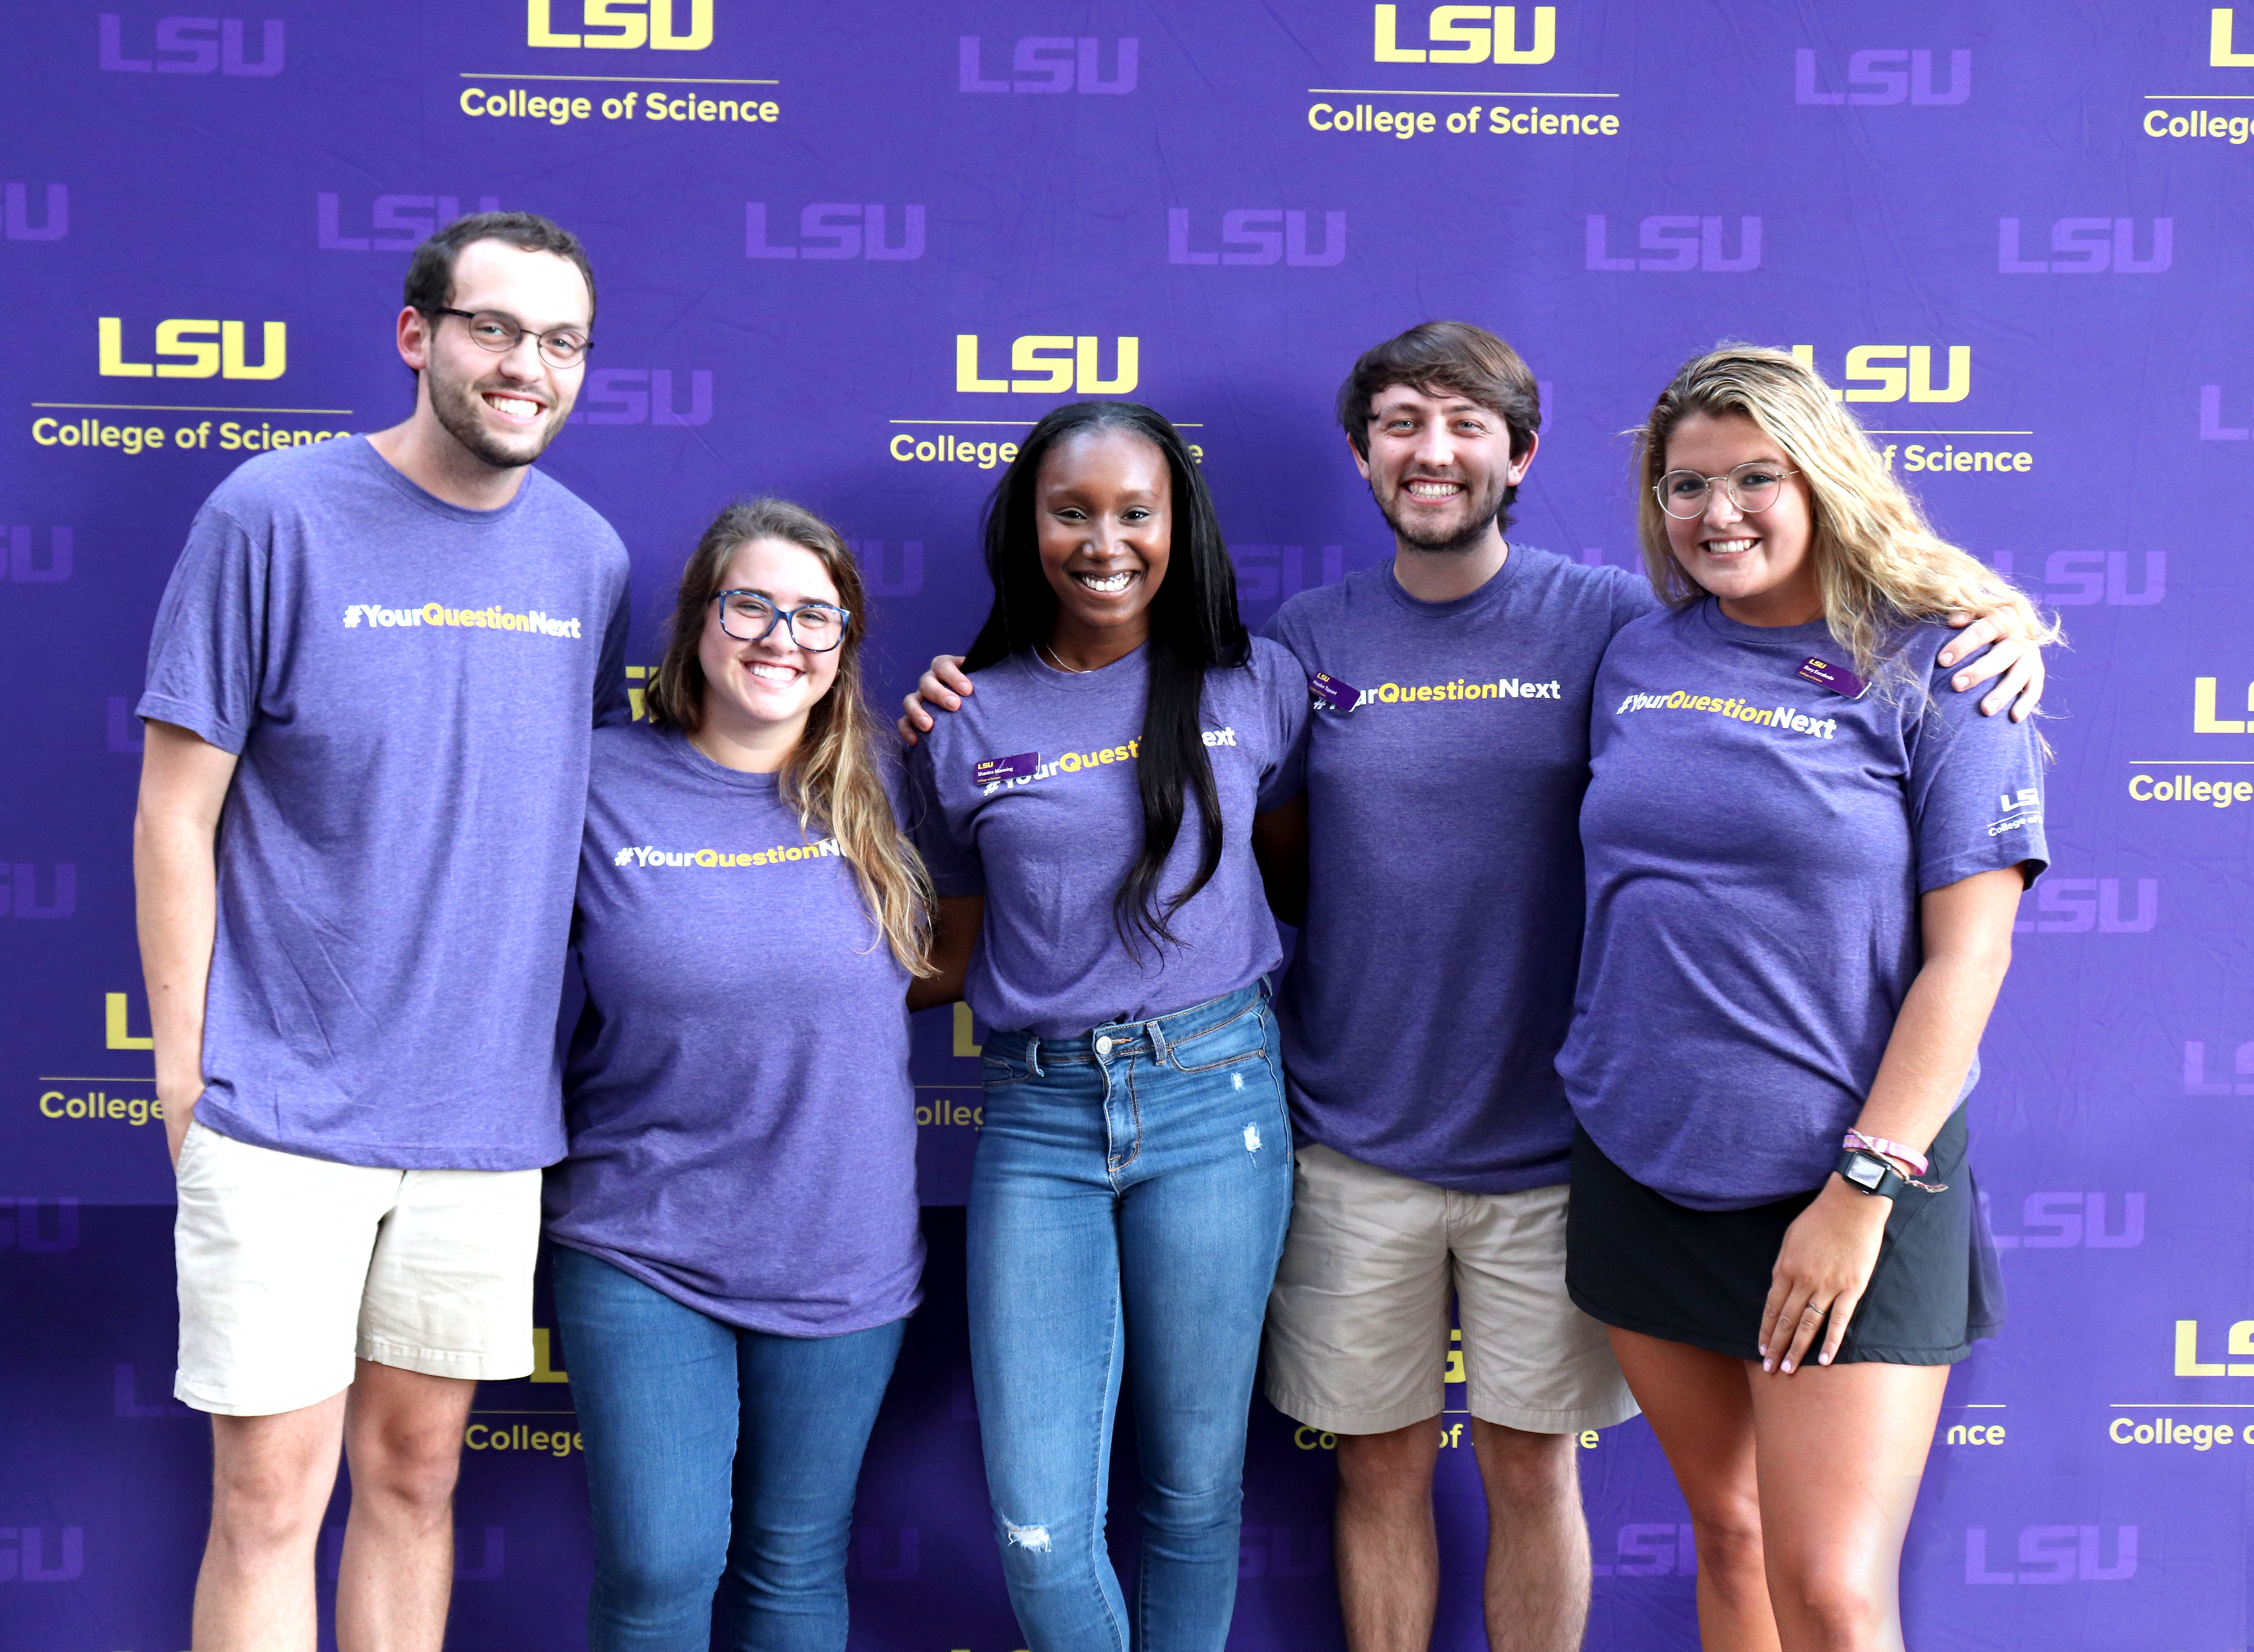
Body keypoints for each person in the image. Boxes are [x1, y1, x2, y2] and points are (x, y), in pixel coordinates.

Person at [900, 322, 2045, 1652]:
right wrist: (964, 703)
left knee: (1540, 1470)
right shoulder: (1296, 651)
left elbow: (1851, 667)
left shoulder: (1620, 627)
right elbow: (1159, 770)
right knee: (1382, 1469)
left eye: (1463, 424)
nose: (1430, 451)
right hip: (1345, 1135)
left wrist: (1999, 616)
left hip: (1562, 1150)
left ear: (1523, 455)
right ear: (1363, 452)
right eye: (1399, 422)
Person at [132, 211, 627, 1652]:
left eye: (560, 341)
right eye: (493, 328)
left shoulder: (587, 559)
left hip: (484, 1125)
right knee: (269, 1498)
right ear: (418, 336)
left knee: (414, 1482)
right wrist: (183, 1072)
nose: (524, 365)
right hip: (280, 1109)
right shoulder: (270, 516)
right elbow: (175, 813)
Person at [1557, 343, 2051, 1651]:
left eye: (1753, 478)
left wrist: (1862, 1190)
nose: (1717, 514)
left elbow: (1972, 959)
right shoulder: (1636, 655)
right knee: (1730, 1536)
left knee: (1830, 1592)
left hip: (1853, 1187)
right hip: (1643, 1166)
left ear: (1822, 478)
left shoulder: (1947, 670)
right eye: (1684, 487)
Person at [905, 400, 1309, 1652]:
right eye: (1071, 511)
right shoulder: (961, 719)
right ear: (1028, 526)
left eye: (1137, 511)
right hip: (1039, 1120)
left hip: (1218, 1100)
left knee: (1193, 1492)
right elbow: (949, 953)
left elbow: (1294, 874)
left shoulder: (1260, 682)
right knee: (1038, 1520)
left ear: (1178, 526)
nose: (1105, 540)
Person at [545, 498, 947, 1651]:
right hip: (643, 1236)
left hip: (842, 1250)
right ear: (699, 621)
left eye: (817, 616)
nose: (783, 638)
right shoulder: (596, 780)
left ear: (846, 644)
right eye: (753, 605)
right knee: (661, 1567)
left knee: (793, 1567)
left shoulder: (892, 781)